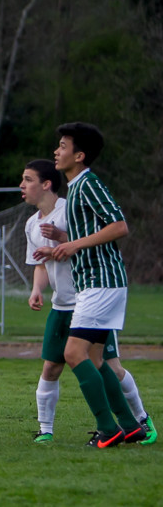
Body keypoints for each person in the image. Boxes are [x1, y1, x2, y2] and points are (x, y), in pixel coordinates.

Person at [21, 159, 155, 445]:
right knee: (52, 367)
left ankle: (138, 421)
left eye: (28, 179)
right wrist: (37, 290)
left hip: (91, 297)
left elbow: (95, 240)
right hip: (61, 305)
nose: (22, 185)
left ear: (46, 184)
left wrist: (62, 238)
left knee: (110, 367)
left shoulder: (70, 208)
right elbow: (41, 264)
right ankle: (46, 430)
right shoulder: (31, 224)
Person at [50, 122, 148, 448]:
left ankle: (108, 429)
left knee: (73, 353)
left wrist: (75, 246)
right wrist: (66, 243)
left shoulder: (88, 183)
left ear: (79, 155)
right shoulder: (75, 187)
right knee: (94, 359)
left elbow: (119, 226)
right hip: (98, 282)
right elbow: (91, 236)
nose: (57, 151)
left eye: (63, 146)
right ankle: (131, 426)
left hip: (101, 282)